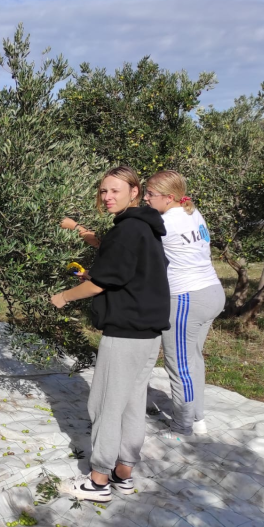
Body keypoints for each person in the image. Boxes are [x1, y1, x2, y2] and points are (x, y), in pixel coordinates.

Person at [51, 166, 170, 502]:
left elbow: (102, 283)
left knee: (105, 403)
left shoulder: (128, 230)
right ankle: (124, 473)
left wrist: (63, 297)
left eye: (115, 190)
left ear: (135, 191)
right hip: (148, 332)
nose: (107, 197)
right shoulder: (146, 228)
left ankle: (98, 480)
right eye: (103, 191)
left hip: (126, 332)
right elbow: (126, 273)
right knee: (132, 403)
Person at [144, 170, 225, 439]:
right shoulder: (191, 211)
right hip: (212, 291)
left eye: (150, 194)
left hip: (187, 299)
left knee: (179, 366)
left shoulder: (166, 223)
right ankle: (197, 420)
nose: (145, 198)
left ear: (169, 197)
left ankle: (181, 429)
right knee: (193, 360)